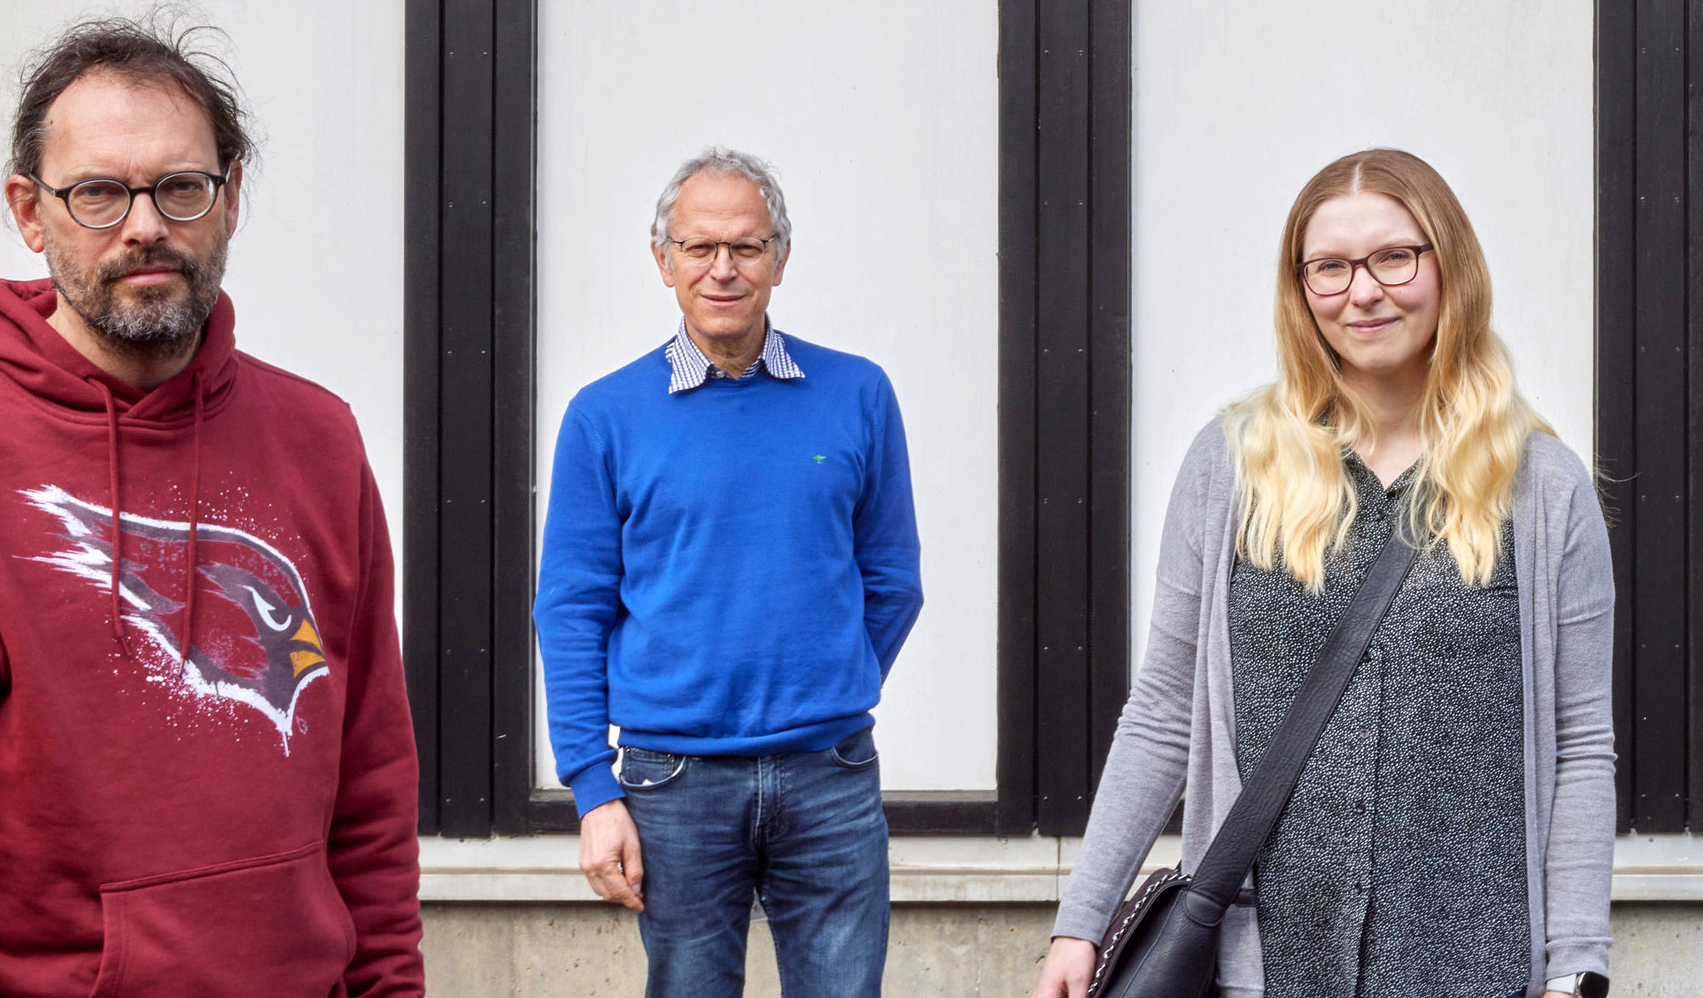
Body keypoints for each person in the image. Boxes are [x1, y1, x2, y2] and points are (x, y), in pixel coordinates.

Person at [0, 13, 422, 996]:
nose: (144, 224)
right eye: (98, 191)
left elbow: (372, 790)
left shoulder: (319, 441)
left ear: (228, 200)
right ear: (29, 210)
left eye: (180, 186)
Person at [1033, 148, 1615, 998]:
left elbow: (1581, 743)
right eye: (1330, 268)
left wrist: (1575, 967)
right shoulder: (1231, 467)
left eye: (1393, 257)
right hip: (1265, 964)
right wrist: (1079, 922)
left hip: (1474, 963)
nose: (1363, 291)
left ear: (1448, 265)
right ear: (1299, 289)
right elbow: (1163, 710)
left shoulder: (1540, 486)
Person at [533, 147, 923, 998]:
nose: (722, 268)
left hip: (830, 773)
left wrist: (823, 675)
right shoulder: (604, 417)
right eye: (700, 246)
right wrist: (592, 789)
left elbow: (894, 579)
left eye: (745, 247)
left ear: (781, 257)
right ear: (662, 258)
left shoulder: (857, 393)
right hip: (671, 783)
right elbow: (569, 610)